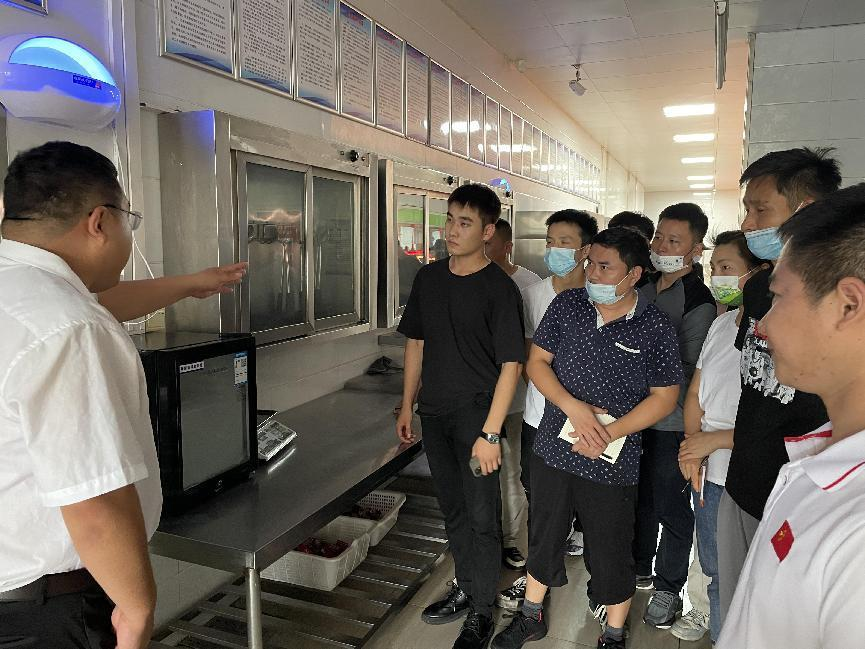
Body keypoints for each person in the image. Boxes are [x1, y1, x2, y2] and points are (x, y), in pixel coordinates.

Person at [0, 142, 162, 649]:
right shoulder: (69, 325)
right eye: (129, 220)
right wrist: (136, 611)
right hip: (48, 611)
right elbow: (93, 501)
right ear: (100, 222)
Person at [491, 227, 683, 649]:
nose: (592, 273)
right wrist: (573, 407)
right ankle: (531, 614)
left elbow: (665, 397)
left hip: (612, 457)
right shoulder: (568, 305)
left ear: (634, 274)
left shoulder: (654, 326)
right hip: (554, 446)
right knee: (544, 532)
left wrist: (608, 432)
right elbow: (537, 362)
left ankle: (613, 633)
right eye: (591, 263)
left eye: (604, 267)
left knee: (610, 544)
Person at [717, 183, 865, 648]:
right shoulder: (817, 460)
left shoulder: (856, 538)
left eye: (779, 297)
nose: (762, 325)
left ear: (848, 305)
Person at [395, 183, 525, 649]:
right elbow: (416, 343)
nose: (451, 230)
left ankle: (483, 612)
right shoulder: (428, 278)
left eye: (464, 222)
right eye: (450, 219)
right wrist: (407, 403)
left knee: (482, 516)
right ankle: (469, 588)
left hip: (476, 418)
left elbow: (512, 365)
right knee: (452, 511)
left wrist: (490, 434)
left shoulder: (499, 289)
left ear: (488, 232)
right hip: (434, 414)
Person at [496, 209, 598, 612]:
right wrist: (549, 399)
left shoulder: (601, 295)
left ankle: (597, 582)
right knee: (539, 497)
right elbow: (526, 359)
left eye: (564, 242)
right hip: (539, 419)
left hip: (589, 421)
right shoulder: (533, 295)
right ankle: (539, 575)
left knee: (588, 499)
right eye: (550, 241)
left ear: (586, 250)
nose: (554, 250)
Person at [670, 231, 766, 643]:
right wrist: (693, 448)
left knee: (746, 574)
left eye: (726, 268)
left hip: (748, 471)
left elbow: (778, 422)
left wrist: (714, 441)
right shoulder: (722, 323)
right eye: (714, 268)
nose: (717, 277)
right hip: (709, 471)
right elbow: (696, 392)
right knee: (714, 568)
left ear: (758, 273)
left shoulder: (773, 333)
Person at [635, 203, 716, 628]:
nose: (661, 247)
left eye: (673, 241)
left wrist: (630, 363)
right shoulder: (641, 284)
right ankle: (639, 567)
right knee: (639, 498)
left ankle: (668, 587)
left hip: (670, 423)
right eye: (658, 238)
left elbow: (686, 370)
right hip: (630, 421)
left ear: (695, 249)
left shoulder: (698, 300)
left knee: (671, 506)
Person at [485, 218, 541, 571]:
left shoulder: (528, 285)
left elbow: (532, 348)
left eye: (489, 244)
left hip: (517, 401)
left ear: (506, 247)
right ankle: (484, 537)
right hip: (479, 398)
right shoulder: (469, 280)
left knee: (511, 471)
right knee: (480, 470)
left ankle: (508, 540)